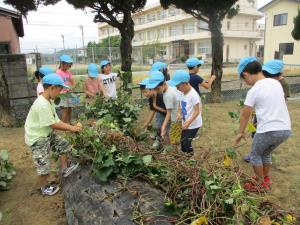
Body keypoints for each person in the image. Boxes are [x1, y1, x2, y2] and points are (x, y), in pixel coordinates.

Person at [235, 57, 291, 192]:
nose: (246, 83)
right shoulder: (276, 83)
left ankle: (260, 184)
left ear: (246, 74)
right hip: (285, 129)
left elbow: (245, 114)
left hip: (268, 129)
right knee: (265, 153)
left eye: (244, 80)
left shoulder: (254, 90)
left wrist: (241, 132)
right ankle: (265, 178)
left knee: (255, 155)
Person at [25, 73, 82, 196]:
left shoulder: (49, 101)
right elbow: (53, 124)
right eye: (59, 89)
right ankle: (44, 188)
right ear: (51, 87)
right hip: (37, 138)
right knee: (44, 166)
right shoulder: (41, 104)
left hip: (45, 133)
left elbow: (57, 120)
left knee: (63, 144)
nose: (60, 92)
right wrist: (72, 128)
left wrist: (71, 128)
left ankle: (65, 168)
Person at [244, 59, 290, 162]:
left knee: (262, 143)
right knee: (256, 134)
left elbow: (282, 100)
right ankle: (257, 153)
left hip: (272, 117)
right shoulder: (265, 83)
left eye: (268, 74)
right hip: (263, 114)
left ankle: (256, 155)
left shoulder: (281, 83)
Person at [168, 70, 202, 153]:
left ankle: (190, 160)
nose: (177, 88)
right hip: (185, 122)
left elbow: (197, 111)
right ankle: (184, 157)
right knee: (182, 142)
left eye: (177, 86)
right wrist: (179, 112)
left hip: (193, 124)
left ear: (184, 83)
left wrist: (189, 122)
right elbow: (180, 103)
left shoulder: (193, 95)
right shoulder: (182, 92)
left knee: (187, 143)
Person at [144, 71, 180, 145]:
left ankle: (171, 151)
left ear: (163, 84)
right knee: (173, 137)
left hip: (176, 119)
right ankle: (171, 150)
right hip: (177, 116)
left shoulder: (167, 95)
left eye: (157, 89)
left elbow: (168, 113)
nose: (156, 91)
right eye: (154, 89)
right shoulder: (170, 86)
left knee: (173, 138)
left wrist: (163, 126)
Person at [139, 78, 167, 149]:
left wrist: (155, 106)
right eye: (143, 93)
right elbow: (152, 111)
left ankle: (162, 142)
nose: (144, 94)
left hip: (167, 115)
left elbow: (167, 111)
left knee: (164, 129)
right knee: (159, 125)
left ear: (151, 89)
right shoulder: (151, 97)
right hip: (160, 113)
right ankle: (159, 137)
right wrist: (146, 123)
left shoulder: (161, 96)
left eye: (145, 92)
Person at [56, 54, 75, 124]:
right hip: (62, 95)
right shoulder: (58, 73)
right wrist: (66, 89)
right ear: (62, 63)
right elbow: (58, 85)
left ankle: (70, 123)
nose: (68, 67)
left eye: (69, 65)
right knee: (65, 110)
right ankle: (63, 126)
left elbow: (73, 82)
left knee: (70, 109)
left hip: (68, 94)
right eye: (67, 65)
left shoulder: (68, 72)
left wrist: (71, 88)